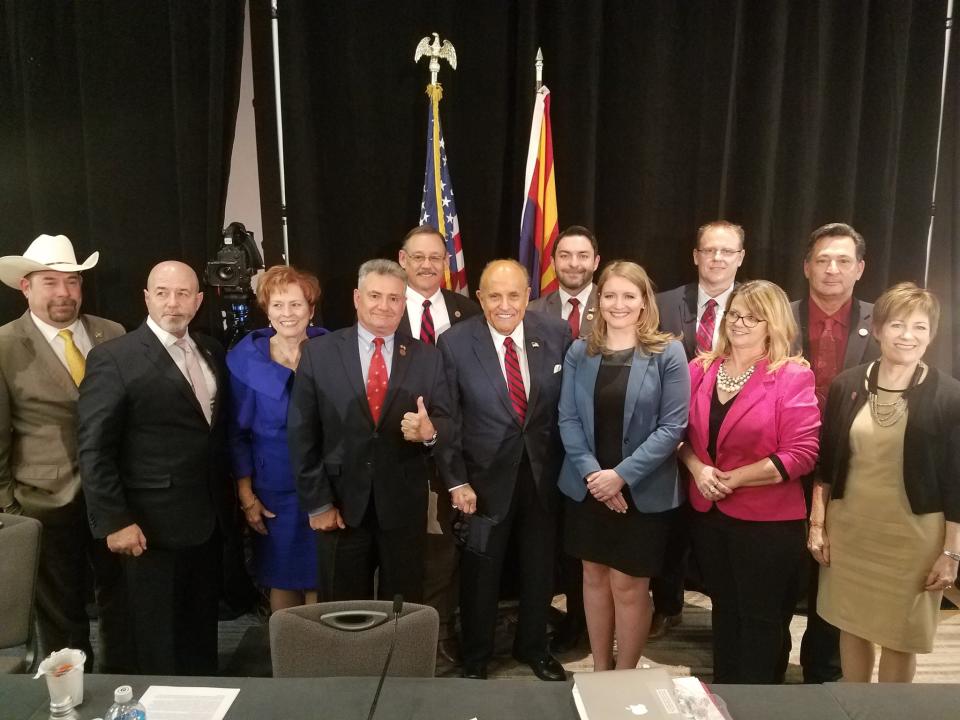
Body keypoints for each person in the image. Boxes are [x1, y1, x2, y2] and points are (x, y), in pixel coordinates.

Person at [78, 261, 233, 675]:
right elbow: (94, 448)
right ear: (146, 297)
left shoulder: (210, 350)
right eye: (162, 292)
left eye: (184, 293)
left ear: (199, 301)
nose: (173, 302)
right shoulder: (114, 357)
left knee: (199, 634)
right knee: (152, 641)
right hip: (147, 528)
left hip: (205, 522)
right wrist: (114, 521)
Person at [809, 282, 960, 683]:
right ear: (877, 330)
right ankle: (856, 707)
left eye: (919, 327)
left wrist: (951, 553)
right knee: (851, 625)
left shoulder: (949, 396)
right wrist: (818, 525)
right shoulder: (848, 384)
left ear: (932, 335)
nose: (907, 336)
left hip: (913, 539)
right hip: (851, 530)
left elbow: (957, 482)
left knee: (900, 637)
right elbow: (826, 466)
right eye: (897, 325)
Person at [287, 259, 454, 603]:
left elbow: (448, 422)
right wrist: (318, 504)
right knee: (344, 612)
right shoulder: (319, 353)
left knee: (403, 608)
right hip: (340, 507)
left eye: (394, 298)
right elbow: (302, 434)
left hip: (403, 508)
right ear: (356, 298)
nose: (384, 306)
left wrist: (430, 431)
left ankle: (399, 661)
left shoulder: (427, 357)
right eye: (375, 296)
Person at [680, 280, 820, 684]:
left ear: (772, 324)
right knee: (724, 609)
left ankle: (759, 701)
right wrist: (697, 468)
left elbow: (803, 453)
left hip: (768, 524)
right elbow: (677, 437)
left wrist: (734, 478)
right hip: (709, 514)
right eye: (735, 314)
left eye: (752, 316)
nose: (740, 323)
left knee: (761, 618)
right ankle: (726, 692)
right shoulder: (700, 369)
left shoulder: (792, 375)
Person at [438, 259, 572, 681]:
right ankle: (477, 656)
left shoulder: (556, 333)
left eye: (513, 294)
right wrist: (456, 479)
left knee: (539, 567)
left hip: (543, 475)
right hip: (482, 481)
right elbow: (447, 418)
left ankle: (533, 647)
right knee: (481, 571)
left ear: (527, 295)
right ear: (479, 298)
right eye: (494, 295)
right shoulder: (455, 343)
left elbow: (565, 407)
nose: (504, 304)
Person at [0, 234, 126, 672]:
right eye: (50, 282)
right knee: (61, 620)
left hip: (113, 500)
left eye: (71, 282)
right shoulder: (4, 346)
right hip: (43, 503)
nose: (63, 293)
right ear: (26, 287)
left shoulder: (111, 333)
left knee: (121, 606)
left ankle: (125, 691)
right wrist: (11, 509)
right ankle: (70, 700)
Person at [558, 261, 689, 670]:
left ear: (644, 301)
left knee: (629, 585)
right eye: (610, 295)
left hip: (641, 491)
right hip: (588, 486)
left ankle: (625, 677)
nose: (618, 304)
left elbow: (673, 427)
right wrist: (596, 477)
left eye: (629, 296)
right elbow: (568, 418)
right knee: (594, 580)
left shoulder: (669, 351)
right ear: (599, 301)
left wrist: (620, 478)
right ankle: (600, 669)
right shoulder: (581, 350)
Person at [791, 222, 879, 683]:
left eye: (843, 260)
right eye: (822, 259)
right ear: (806, 266)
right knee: (786, 566)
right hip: (784, 463)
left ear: (860, 269)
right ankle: (765, 658)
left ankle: (823, 668)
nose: (832, 269)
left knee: (834, 566)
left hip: (853, 465)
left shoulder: (881, 322)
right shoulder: (780, 316)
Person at [653, 220, 745, 638]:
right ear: (696, 256)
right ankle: (667, 604)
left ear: (740, 258)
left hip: (733, 437)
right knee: (670, 529)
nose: (718, 259)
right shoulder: (663, 304)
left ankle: (727, 614)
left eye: (727, 251)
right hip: (670, 433)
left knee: (724, 536)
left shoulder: (755, 305)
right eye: (710, 250)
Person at [397, 225, 480, 664]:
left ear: (446, 263)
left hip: (460, 448)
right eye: (419, 257)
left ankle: (443, 629)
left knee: (448, 548)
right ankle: (404, 636)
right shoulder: (386, 310)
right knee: (408, 550)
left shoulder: (468, 310)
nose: (428, 265)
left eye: (436, 257)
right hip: (401, 451)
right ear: (403, 259)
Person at [227, 265, 326, 612]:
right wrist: (245, 495)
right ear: (266, 310)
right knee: (283, 578)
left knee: (322, 579)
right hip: (275, 491)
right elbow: (237, 434)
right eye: (278, 305)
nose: (288, 314)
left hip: (326, 487)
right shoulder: (245, 359)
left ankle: (326, 662)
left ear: (310, 310)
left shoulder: (332, 349)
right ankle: (290, 663)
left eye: (296, 305)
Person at [527, 224, 601, 651]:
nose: (574, 264)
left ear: (595, 261)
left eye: (582, 255)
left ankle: (585, 623)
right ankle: (554, 619)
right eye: (565, 255)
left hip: (595, 444)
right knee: (548, 541)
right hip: (541, 444)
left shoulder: (615, 305)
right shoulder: (533, 307)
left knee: (585, 542)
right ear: (553, 261)